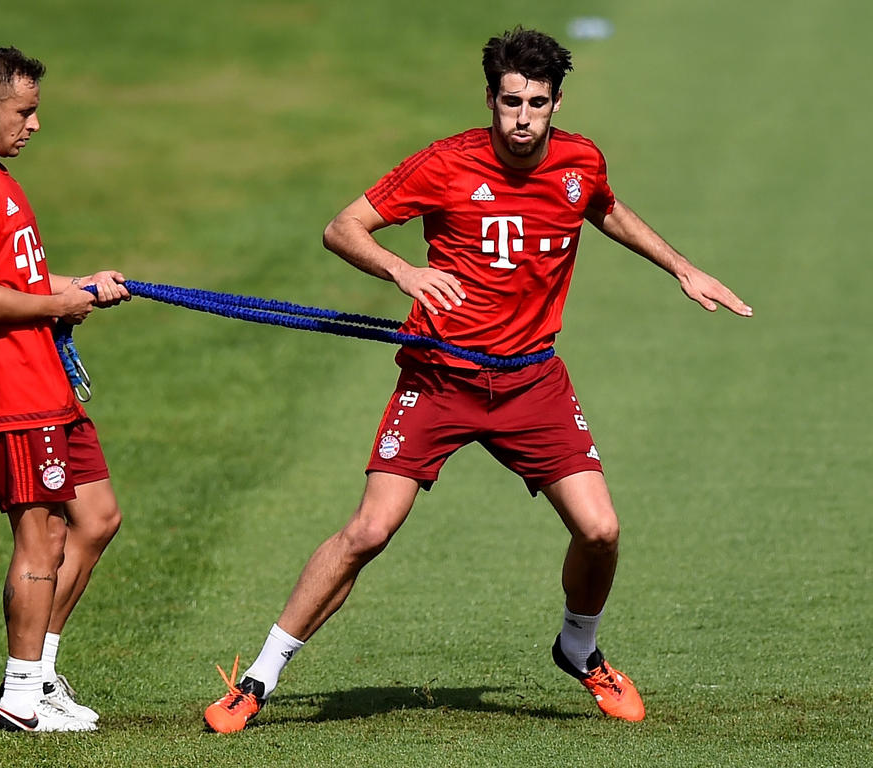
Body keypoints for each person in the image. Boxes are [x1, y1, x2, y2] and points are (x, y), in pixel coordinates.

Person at [203, 26, 752, 732]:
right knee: (369, 530)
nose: (522, 119)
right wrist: (405, 270)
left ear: (557, 103)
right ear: (490, 97)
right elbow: (343, 228)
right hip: (439, 381)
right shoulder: (445, 164)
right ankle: (258, 679)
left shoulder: (580, 161)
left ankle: (579, 650)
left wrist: (682, 266)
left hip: (532, 384)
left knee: (601, 530)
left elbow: (603, 206)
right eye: (510, 101)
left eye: (538, 104)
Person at [0, 47, 131, 732]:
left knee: (97, 517)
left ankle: (40, 678)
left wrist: (79, 287)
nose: (35, 125)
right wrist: (59, 306)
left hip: (44, 382)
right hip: (7, 387)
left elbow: (15, 282)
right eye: (26, 111)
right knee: (40, 533)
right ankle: (21, 695)